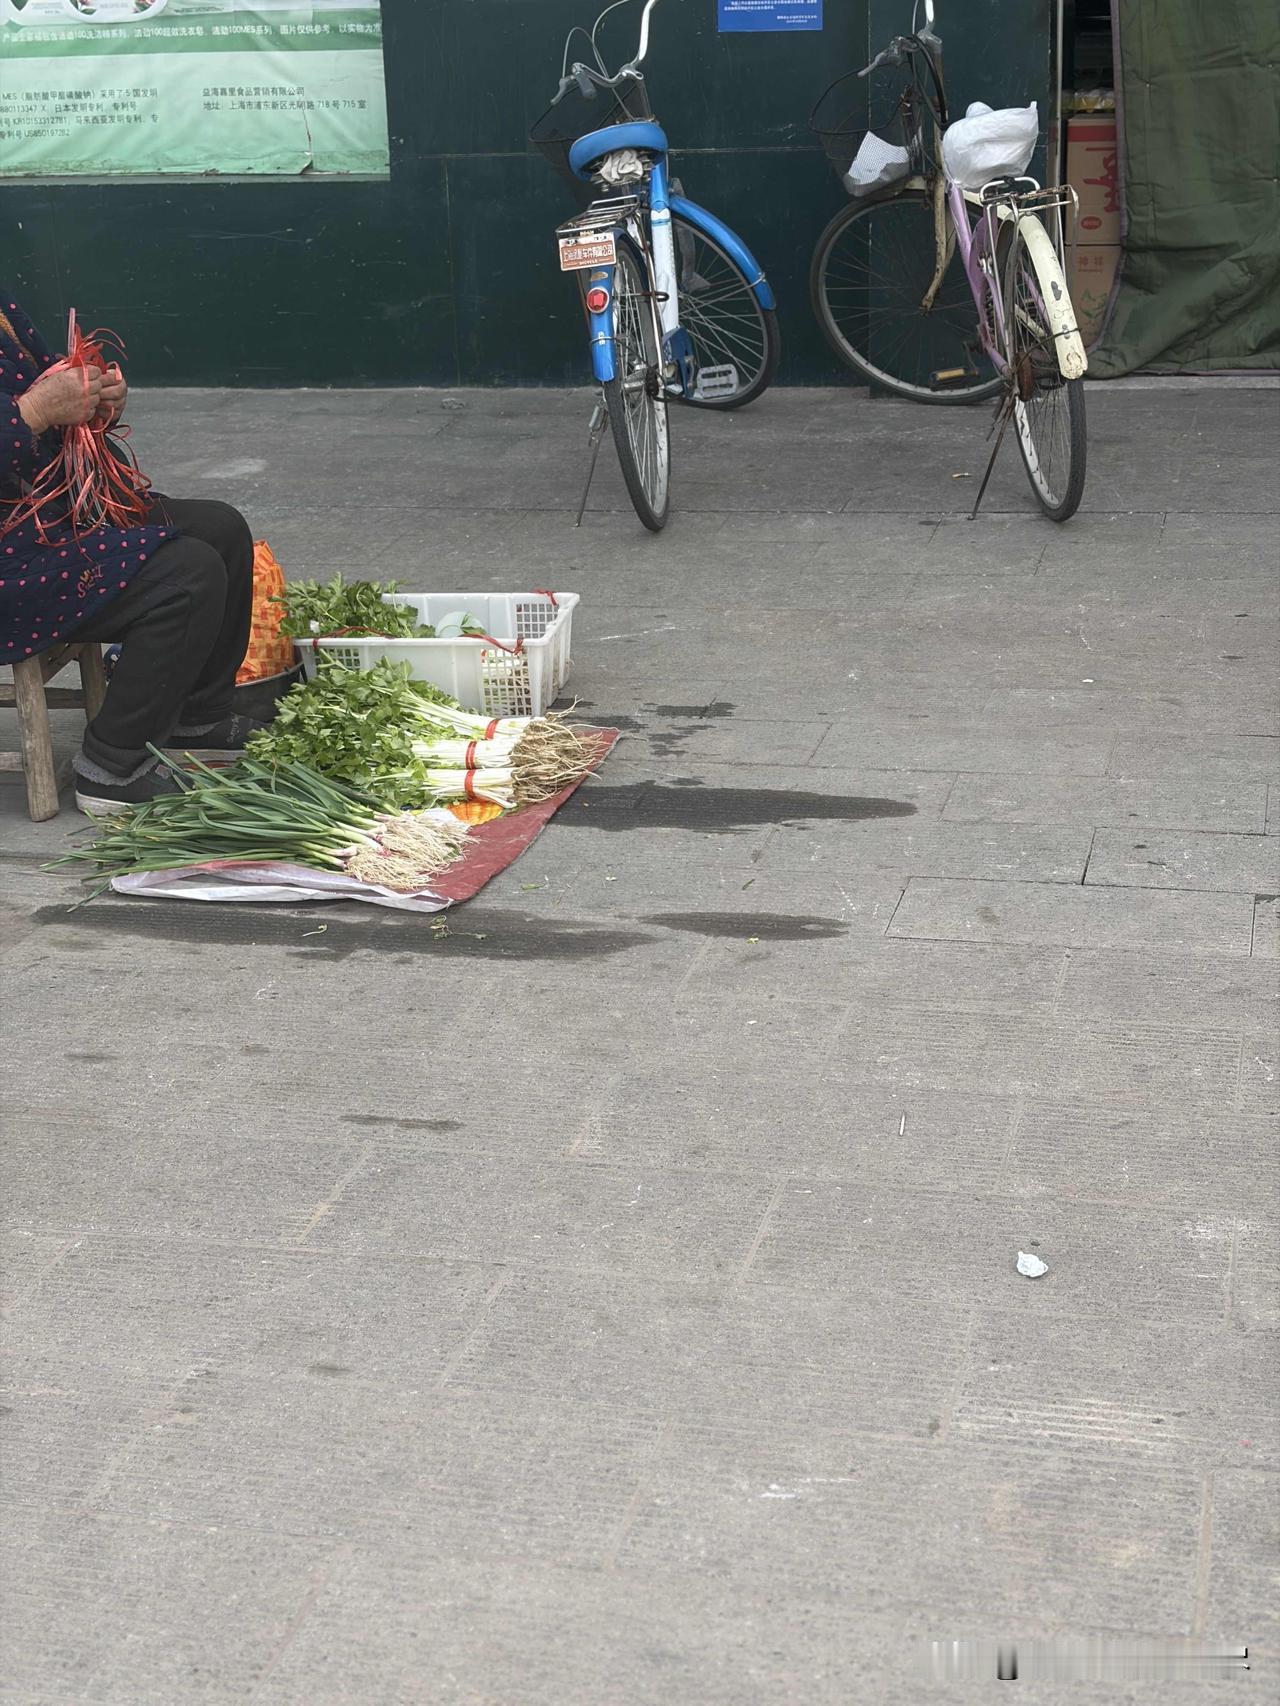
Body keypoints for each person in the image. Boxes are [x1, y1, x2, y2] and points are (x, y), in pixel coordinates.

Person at [1, 290, 263, 814]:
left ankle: (198, 714)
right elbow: (27, 410)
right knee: (185, 576)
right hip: (13, 562)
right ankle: (110, 767)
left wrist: (89, 397)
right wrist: (34, 411)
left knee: (220, 530)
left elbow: (42, 387)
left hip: (45, 519)